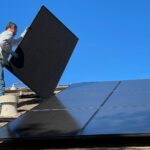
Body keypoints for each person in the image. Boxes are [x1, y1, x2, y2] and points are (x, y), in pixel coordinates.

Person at [0, 22, 28, 96]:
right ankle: (1, 99)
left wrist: (25, 32)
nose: (16, 31)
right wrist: (12, 52)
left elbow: (16, 42)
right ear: (11, 28)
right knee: (0, 81)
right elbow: (2, 43)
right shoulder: (8, 33)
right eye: (15, 29)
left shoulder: (9, 37)